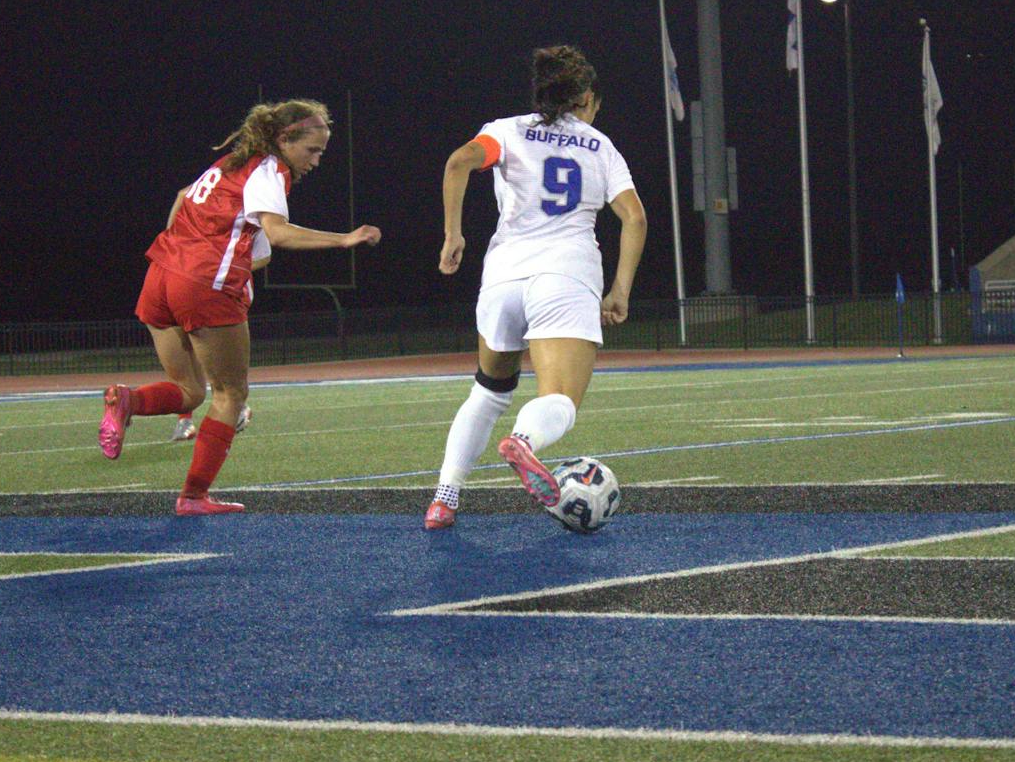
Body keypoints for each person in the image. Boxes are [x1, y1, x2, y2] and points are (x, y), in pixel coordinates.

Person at [98, 99, 381, 515]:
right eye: (313, 150)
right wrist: (342, 240)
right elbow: (278, 234)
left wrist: (181, 246)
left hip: (160, 274)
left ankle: (127, 400)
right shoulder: (268, 169)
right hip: (202, 281)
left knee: (190, 391)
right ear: (284, 139)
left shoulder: (229, 164)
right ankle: (193, 497)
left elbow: (183, 198)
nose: (317, 161)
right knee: (231, 394)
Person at [424, 45, 647, 530]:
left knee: (487, 391)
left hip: (504, 275)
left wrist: (453, 235)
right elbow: (634, 216)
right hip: (565, 276)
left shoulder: (504, 130)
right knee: (561, 400)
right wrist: (620, 290)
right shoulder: (600, 145)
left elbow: (458, 163)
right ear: (586, 96)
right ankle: (523, 441)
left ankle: (444, 498)